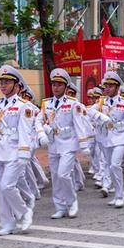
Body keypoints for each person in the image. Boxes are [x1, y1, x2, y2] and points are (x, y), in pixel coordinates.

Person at [0, 65, 34, 234]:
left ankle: (24, 211)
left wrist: (24, 153)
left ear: (17, 85)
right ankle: (8, 223)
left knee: (7, 185)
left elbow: (25, 131)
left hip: (15, 151)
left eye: (7, 82)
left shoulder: (24, 106)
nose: (3, 85)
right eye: (2, 82)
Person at [38, 68, 90, 218]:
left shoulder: (73, 103)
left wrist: (84, 145)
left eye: (59, 85)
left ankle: (72, 201)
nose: (56, 87)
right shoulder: (46, 103)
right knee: (55, 175)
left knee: (63, 174)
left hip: (68, 143)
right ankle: (60, 206)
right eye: (54, 84)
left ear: (66, 87)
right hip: (53, 144)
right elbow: (38, 120)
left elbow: (79, 124)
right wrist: (43, 130)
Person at [93, 71, 124, 208]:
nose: (107, 89)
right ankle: (116, 194)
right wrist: (99, 116)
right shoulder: (101, 102)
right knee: (110, 166)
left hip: (120, 138)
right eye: (105, 86)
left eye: (110, 86)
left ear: (117, 87)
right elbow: (88, 111)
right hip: (106, 139)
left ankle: (120, 196)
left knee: (115, 165)